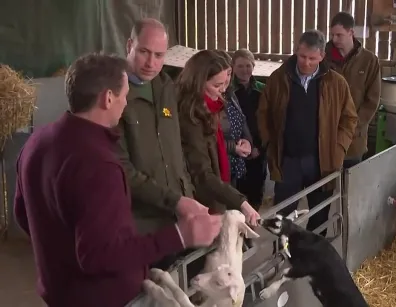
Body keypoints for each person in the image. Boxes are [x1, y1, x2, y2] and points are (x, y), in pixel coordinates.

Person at [13, 53, 222, 307]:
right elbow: (99, 256)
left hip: (59, 292)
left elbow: (23, 214)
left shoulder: (37, 143)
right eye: (124, 95)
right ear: (107, 98)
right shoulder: (99, 163)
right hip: (103, 299)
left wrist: (61, 255)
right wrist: (180, 236)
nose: (126, 102)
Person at [117, 18, 207, 283]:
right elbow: (122, 169)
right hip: (143, 222)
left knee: (185, 286)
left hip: (178, 215)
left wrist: (186, 193)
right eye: (144, 52)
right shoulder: (115, 93)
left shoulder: (166, 86)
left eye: (159, 55)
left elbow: (175, 148)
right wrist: (175, 200)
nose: (151, 63)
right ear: (129, 45)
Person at [257, 30, 358, 236]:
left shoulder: (336, 83)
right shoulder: (279, 78)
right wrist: (269, 143)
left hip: (321, 161)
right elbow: (263, 112)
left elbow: (350, 118)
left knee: (320, 214)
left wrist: (338, 148)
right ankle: (282, 258)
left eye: (312, 58)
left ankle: (313, 257)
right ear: (296, 51)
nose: (306, 62)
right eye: (302, 56)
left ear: (322, 56)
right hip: (288, 160)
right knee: (283, 216)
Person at [176, 50, 261, 225]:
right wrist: (242, 203)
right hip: (201, 199)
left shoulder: (213, 106)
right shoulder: (190, 116)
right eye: (217, 85)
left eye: (226, 82)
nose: (223, 90)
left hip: (218, 185)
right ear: (198, 82)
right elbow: (201, 172)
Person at [326, 12, 381, 167]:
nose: (335, 39)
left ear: (351, 32)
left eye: (339, 35)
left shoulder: (369, 61)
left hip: (354, 138)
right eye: (332, 35)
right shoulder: (323, 57)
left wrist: (353, 127)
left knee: (351, 181)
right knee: (326, 185)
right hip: (326, 135)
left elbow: (372, 100)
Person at [231, 49, 268, 210]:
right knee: (236, 191)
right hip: (235, 149)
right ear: (232, 67)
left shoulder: (263, 90)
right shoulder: (228, 91)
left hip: (258, 150)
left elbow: (268, 121)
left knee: (256, 188)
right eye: (240, 66)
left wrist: (259, 147)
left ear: (253, 66)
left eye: (248, 66)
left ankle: (252, 226)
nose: (244, 70)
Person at [213, 50, 253, 187]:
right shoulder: (203, 99)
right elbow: (203, 139)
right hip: (216, 164)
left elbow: (241, 119)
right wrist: (232, 147)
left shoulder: (229, 93)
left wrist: (248, 141)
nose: (226, 78)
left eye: (228, 73)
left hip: (233, 161)